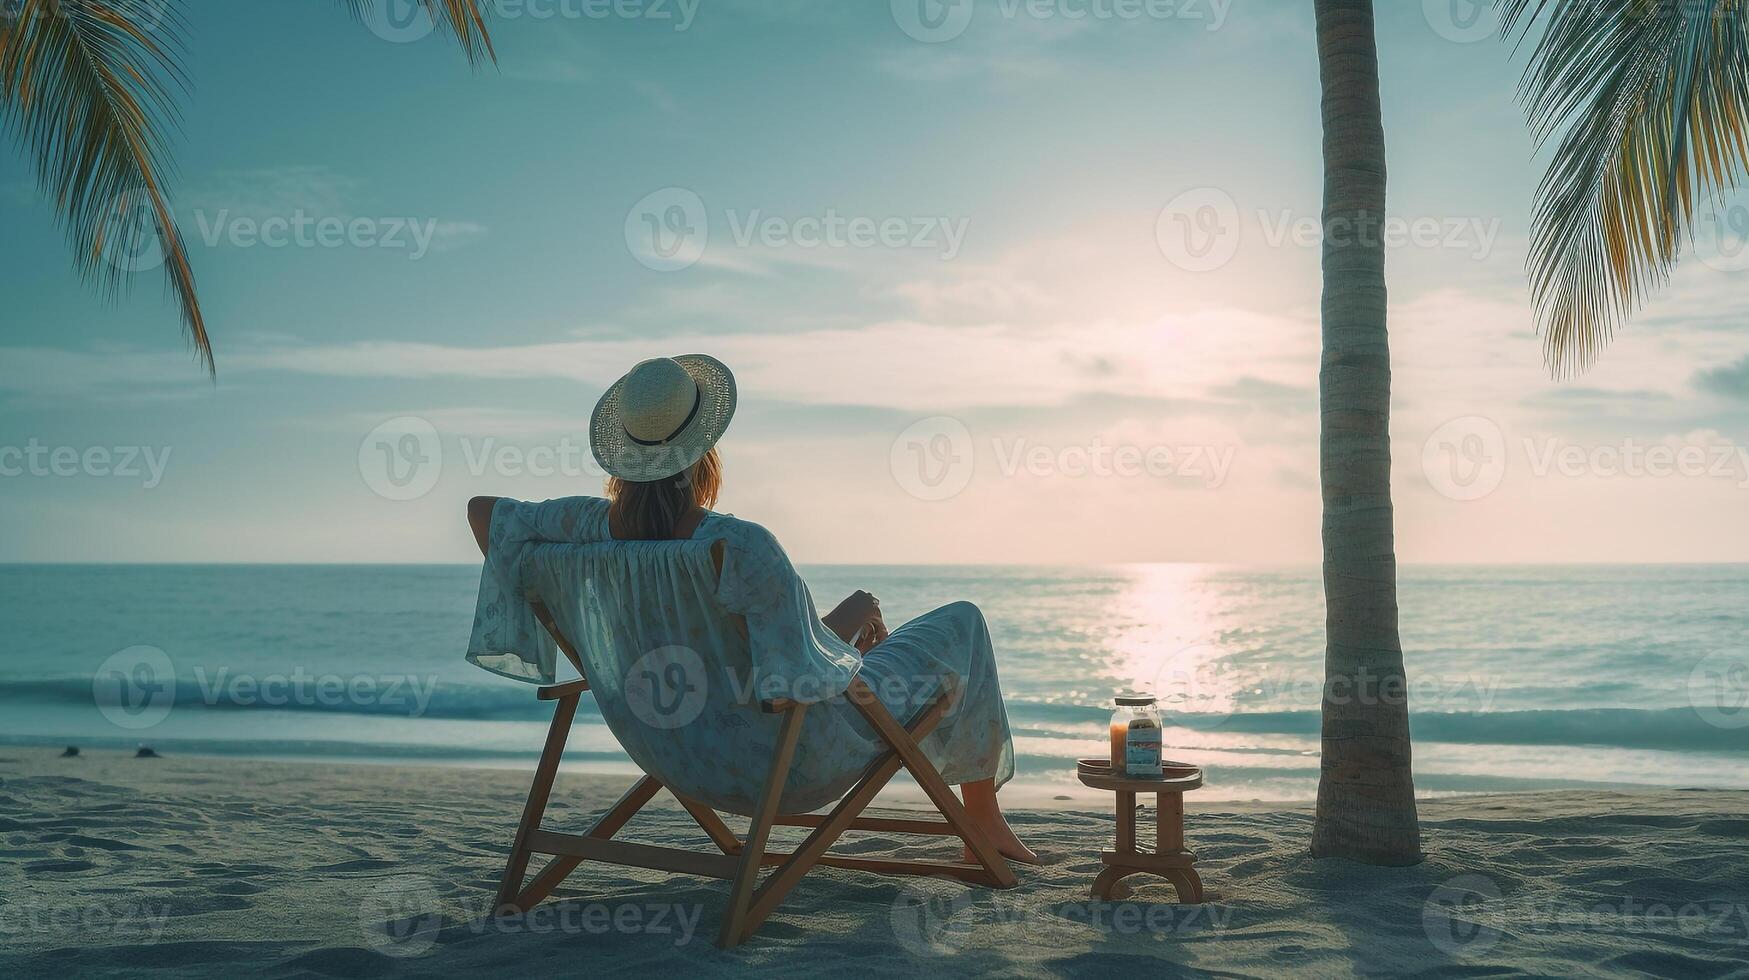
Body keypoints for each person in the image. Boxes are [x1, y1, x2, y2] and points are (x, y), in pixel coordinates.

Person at [468, 354, 1036, 864]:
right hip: (788, 763)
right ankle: (981, 822)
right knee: (961, 620)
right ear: (703, 452)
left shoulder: (589, 532)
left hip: (672, 753)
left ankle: (980, 823)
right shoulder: (736, 547)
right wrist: (857, 613)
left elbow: (482, 512)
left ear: (624, 456)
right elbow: (789, 683)